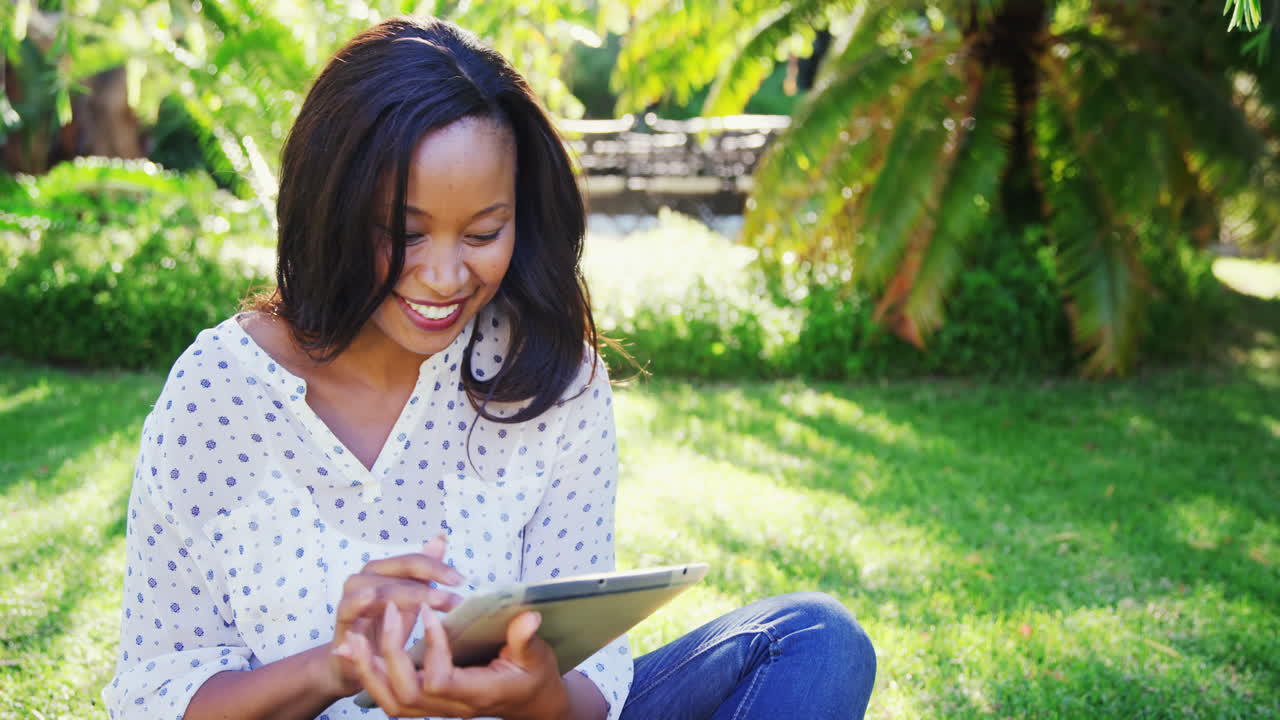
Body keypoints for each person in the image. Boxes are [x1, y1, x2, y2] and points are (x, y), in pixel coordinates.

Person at [102, 16, 875, 720]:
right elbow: (156, 693)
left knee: (816, 641)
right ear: (330, 209)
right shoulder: (220, 393)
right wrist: (334, 668)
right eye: (404, 233)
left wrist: (539, 696)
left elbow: (592, 677)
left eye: (482, 234)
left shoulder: (551, 375)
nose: (445, 277)